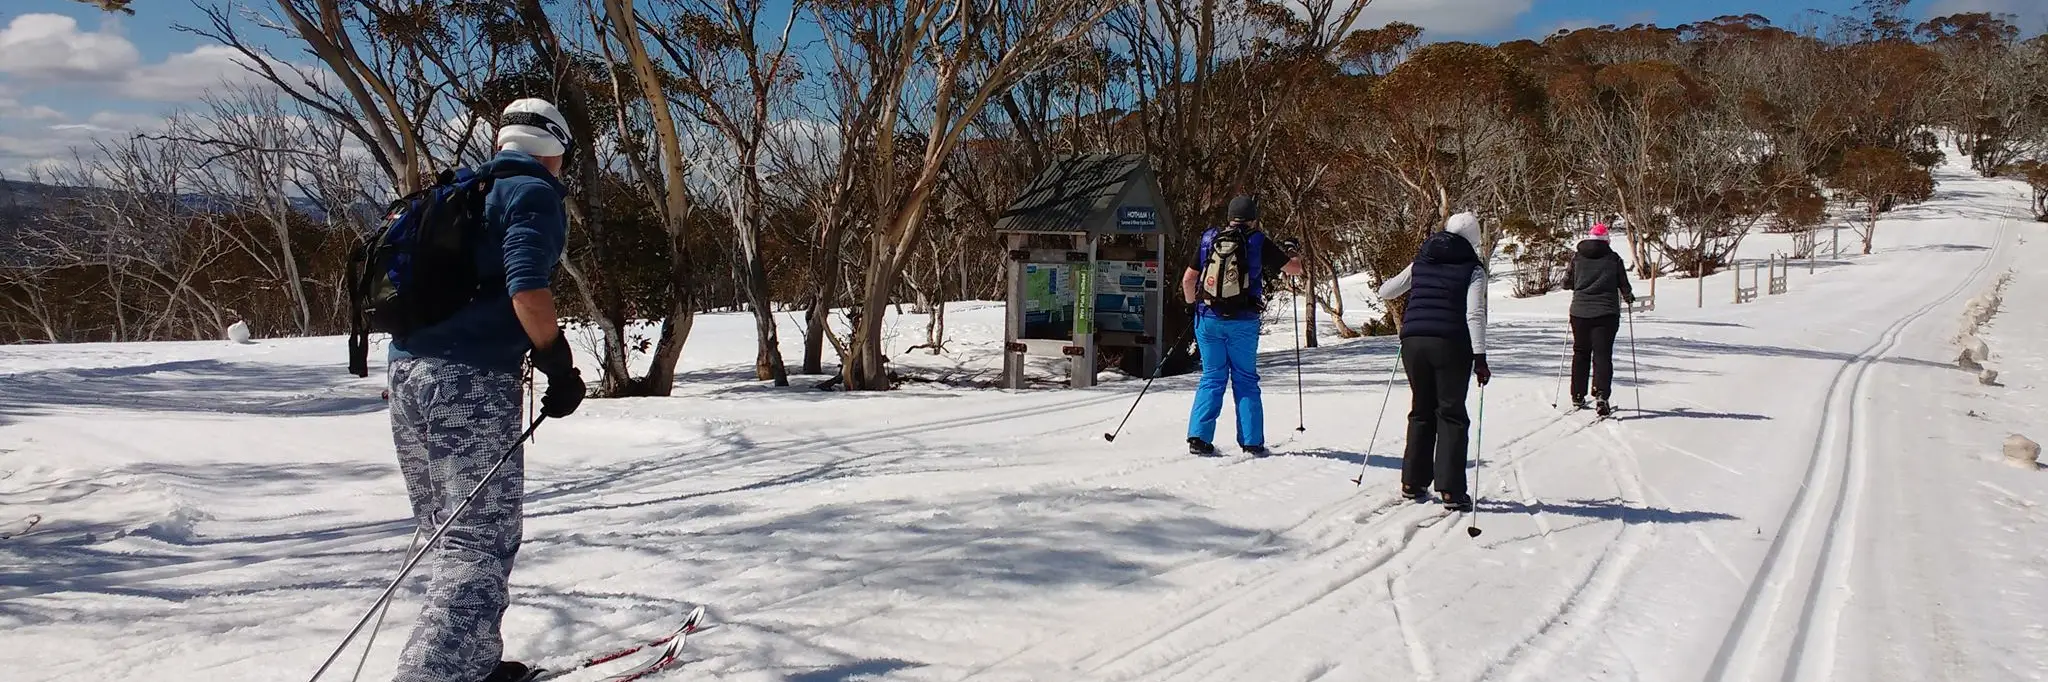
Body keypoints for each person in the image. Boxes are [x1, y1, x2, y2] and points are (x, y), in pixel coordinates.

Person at [386, 98, 586, 682]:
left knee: (445, 533)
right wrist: (558, 362)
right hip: (468, 386)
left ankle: (470, 663)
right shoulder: (532, 193)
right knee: (477, 544)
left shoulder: (462, 191)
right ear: (554, 150)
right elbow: (528, 288)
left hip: (407, 375)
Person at [1377, 212, 1490, 511]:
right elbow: (1474, 314)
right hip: (1451, 343)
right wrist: (1480, 356)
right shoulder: (1473, 269)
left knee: (1422, 409)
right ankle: (1451, 490)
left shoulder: (1422, 260)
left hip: (1413, 341)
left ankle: (1413, 483)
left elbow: (1386, 291)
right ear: (1473, 240)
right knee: (1451, 413)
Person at [1181, 195, 1303, 456]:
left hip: (1208, 319)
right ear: (1253, 218)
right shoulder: (1257, 241)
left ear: (1229, 217)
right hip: (1243, 322)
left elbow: (1188, 280)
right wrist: (1292, 250)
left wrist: (1194, 307)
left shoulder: (1209, 239)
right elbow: (1294, 269)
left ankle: (1198, 438)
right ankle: (1251, 442)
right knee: (1245, 379)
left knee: (1212, 377)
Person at [1564, 222, 1635, 417]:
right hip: (1606, 312)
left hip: (1579, 312)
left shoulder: (1577, 257)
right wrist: (1628, 297)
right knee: (1602, 355)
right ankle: (1602, 396)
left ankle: (1577, 394)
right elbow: (1624, 285)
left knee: (1580, 352)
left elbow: (1566, 283)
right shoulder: (1613, 259)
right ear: (1607, 239)